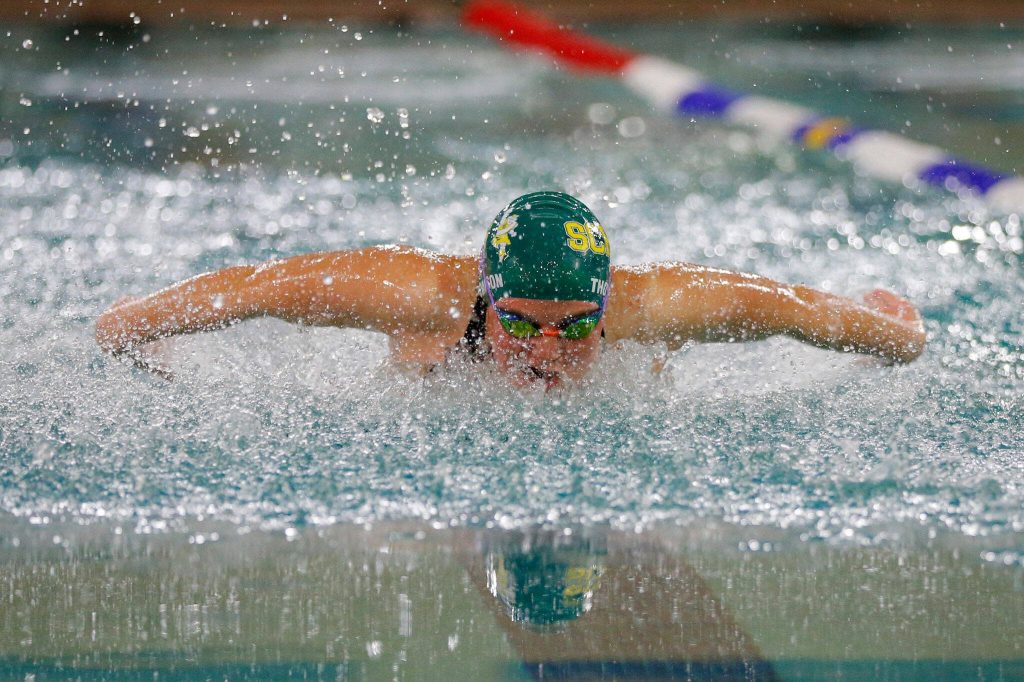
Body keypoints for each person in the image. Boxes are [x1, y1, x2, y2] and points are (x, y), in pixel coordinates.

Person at [95, 191, 925, 388]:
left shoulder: (665, 305)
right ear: (486, 299)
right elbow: (259, 286)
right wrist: (136, 325)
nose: (544, 351)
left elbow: (804, 315)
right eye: (520, 322)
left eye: (576, 329)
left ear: (607, 307)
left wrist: (897, 334)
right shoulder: (416, 296)